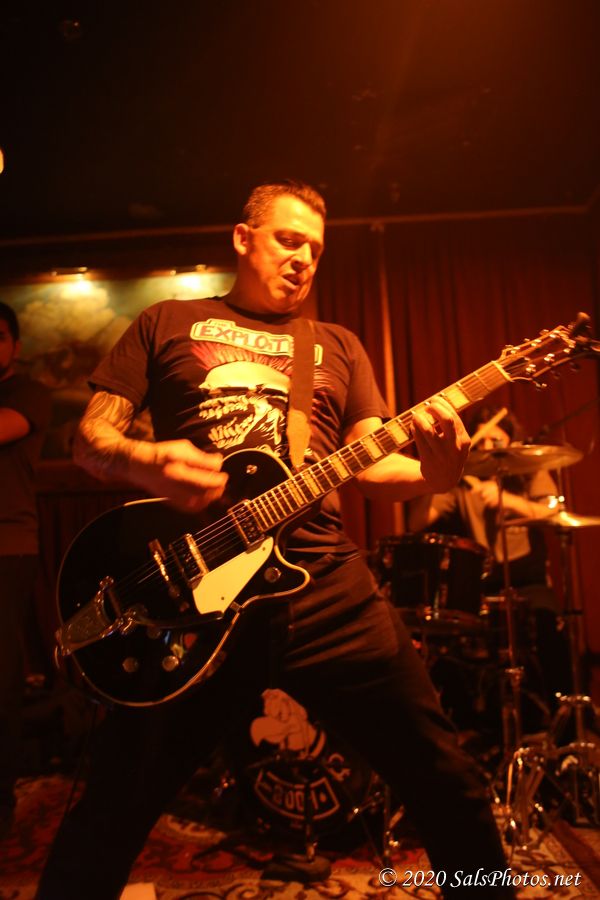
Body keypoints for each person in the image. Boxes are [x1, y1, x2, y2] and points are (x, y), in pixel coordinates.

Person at [37, 181, 515, 898]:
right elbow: (90, 439)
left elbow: (370, 462)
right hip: (192, 593)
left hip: (324, 585)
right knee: (113, 805)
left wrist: (435, 472)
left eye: (315, 250)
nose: (303, 259)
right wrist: (145, 459)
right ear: (243, 237)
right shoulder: (167, 321)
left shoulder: (337, 345)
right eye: (289, 240)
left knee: (446, 775)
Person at [408, 406, 570, 721]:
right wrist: (433, 476)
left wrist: (509, 501)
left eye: (496, 441)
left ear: (510, 441)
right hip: (482, 584)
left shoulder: (528, 470)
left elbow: (554, 513)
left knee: (549, 628)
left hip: (529, 581)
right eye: (482, 441)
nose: (487, 447)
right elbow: (416, 523)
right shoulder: (462, 478)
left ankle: (560, 716)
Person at [0, 301, 52, 839]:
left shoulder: (29, 393)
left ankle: (1, 800)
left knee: (1, 676)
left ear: (15, 345)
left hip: (7, 547)